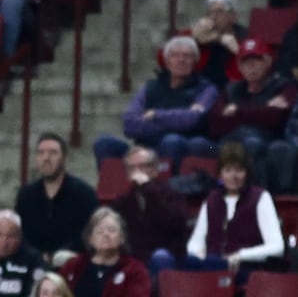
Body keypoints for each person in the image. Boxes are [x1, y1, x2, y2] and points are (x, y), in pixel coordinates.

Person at [93, 36, 218, 171]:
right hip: (146, 148)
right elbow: (129, 124)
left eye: (187, 56)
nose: (181, 60)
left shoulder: (206, 89)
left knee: (172, 140)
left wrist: (155, 115)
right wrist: (176, 119)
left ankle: (164, 190)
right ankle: (113, 190)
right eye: (175, 55)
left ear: (195, 61)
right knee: (103, 143)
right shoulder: (150, 87)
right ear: (167, 61)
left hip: (183, 147)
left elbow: (193, 120)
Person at [184, 141, 284, 277]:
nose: (233, 176)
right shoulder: (211, 200)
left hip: (246, 267)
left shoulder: (260, 198)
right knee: (189, 261)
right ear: (220, 174)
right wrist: (198, 254)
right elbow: (195, 243)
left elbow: (277, 247)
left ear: (246, 173)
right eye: (228, 170)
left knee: (213, 263)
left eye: (239, 170)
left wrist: (240, 256)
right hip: (213, 264)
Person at [208, 38, 296, 188]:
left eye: (257, 61)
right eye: (246, 62)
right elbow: (214, 123)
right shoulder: (230, 89)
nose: (251, 67)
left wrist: (237, 111)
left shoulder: (283, 86)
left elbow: (277, 118)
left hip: (269, 139)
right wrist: (261, 111)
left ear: (268, 63)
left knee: (273, 147)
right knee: (199, 145)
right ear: (239, 66)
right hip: (231, 140)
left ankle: (265, 197)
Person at [14, 132, 99, 263]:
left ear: (64, 158)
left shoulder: (84, 193)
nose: (46, 158)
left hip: (73, 263)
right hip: (33, 263)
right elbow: (21, 233)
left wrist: (57, 255)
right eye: (41, 153)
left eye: (53, 153)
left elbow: (88, 233)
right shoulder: (26, 195)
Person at [108, 147, 188, 279]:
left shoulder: (173, 195)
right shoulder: (123, 201)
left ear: (155, 170)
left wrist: (148, 188)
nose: (137, 172)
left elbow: (172, 223)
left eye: (142, 166)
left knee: (160, 257)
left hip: (166, 255)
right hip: (135, 258)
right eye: (132, 168)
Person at [58, 208, 150, 297]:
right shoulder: (72, 266)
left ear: (122, 238)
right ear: (90, 239)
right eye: (99, 231)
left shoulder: (135, 271)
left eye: (111, 230)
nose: (105, 234)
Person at [189, 0, 248, 88]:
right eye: (210, 13)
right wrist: (193, 39)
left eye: (219, 12)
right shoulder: (201, 35)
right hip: (201, 88)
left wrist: (238, 50)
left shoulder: (244, 36)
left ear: (233, 16)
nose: (214, 17)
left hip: (233, 88)